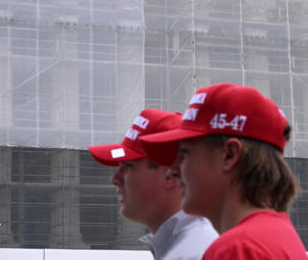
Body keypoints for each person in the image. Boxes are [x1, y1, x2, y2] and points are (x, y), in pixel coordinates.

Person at [139, 83, 308, 259]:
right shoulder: (276, 237)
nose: (173, 171)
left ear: (229, 155)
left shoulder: (238, 248)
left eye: (184, 154)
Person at [88, 109, 218, 260]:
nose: (115, 179)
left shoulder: (191, 253)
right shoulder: (191, 245)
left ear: (171, 174)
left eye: (128, 166)